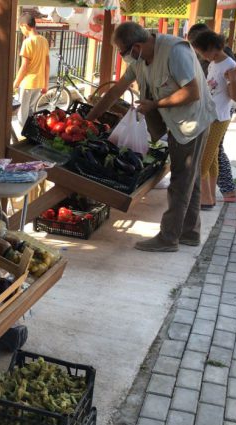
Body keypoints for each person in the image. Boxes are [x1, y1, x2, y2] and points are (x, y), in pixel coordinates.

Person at [87, 22, 216, 252]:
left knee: (180, 181)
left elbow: (192, 92)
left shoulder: (174, 51)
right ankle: (190, 232)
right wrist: (91, 117)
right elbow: (117, 89)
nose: (122, 57)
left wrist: (155, 104)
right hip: (176, 122)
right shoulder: (139, 60)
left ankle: (169, 237)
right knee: (191, 179)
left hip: (191, 122)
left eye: (123, 52)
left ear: (136, 46)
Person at [187, 23, 236, 203]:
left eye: (201, 53)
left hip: (219, 117)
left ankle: (201, 199)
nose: (201, 56)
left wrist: (233, 80)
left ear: (211, 49)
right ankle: (210, 197)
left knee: (202, 160)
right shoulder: (214, 63)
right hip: (209, 115)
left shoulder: (229, 65)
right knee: (213, 158)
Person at [13, 13, 50, 126]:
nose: (21, 30)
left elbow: (24, 66)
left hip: (27, 83)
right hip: (39, 83)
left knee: (21, 112)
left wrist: (16, 82)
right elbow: (47, 64)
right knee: (30, 111)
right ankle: (30, 134)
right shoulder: (44, 40)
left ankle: (23, 137)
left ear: (25, 25)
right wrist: (46, 84)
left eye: (21, 27)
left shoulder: (27, 42)